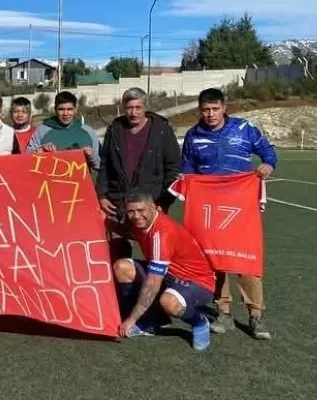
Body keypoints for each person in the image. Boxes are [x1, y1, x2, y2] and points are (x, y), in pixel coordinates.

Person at [181, 87, 277, 340]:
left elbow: (267, 151)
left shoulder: (244, 128)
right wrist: (185, 179)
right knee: (215, 261)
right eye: (205, 110)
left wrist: (268, 164)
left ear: (224, 108)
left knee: (246, 261)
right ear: (200, 110)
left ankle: (256, 316)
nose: (210, 114)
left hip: (240, 206)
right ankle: (223, 312)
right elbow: (187, 168)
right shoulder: (193, 135)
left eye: (215, 109)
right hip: (209, 208)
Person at [114, 191, 215, 351]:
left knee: (169, 302)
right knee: (122, 267)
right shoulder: (141, 223)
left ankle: (199, 321)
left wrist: (131, 320)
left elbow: (153, 283)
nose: (136, 216)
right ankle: (155, 319)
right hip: (168, 275)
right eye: (131, 212)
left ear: (154, 208)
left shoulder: (162, 233)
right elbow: (128, 232)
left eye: (141, 211)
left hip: (197, 282)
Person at [96, 87, 180, 259]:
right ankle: (123, 285)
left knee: (156, 255)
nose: (133, 112)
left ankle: (157, 285)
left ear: (145, 108)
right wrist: (102, 195)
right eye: (129, 108)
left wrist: (165, 202)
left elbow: (173, 169)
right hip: (118, 203)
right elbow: (106, 165)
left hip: (152, 203)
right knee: (118, 255)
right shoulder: (115, 130)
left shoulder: (162, 130)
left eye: (138, 108)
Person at [26, 91, 100, 168]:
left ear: (75, 110)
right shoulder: (42, 130)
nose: (65, 113)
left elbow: (98, 164)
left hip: (78, 179)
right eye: (61, 109)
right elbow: (26, 158)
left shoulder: (88, 131)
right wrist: (41, 149)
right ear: (55, 110)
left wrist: (90, 155)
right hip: (49, 178)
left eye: (69, 109)